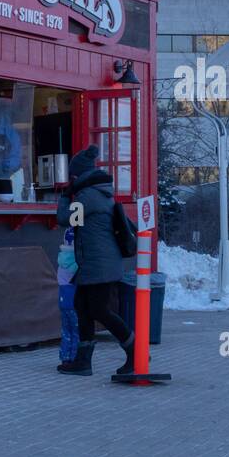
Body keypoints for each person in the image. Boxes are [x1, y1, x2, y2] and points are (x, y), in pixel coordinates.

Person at [55, 145, 135, 376]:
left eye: (72, 176)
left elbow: (65, 218)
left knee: (100, 310)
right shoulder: (97, 193)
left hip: (98, 265)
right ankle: (83, 361)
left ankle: (135, 351)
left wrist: (63, 196)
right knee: (83, 307)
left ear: (77, 176)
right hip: (96, 263)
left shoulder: (88, 197)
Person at [55, 227, 80, 370]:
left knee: (66, 330)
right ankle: (75, 357)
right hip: (74, 301)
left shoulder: (61, 260)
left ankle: (65, 357)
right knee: (76, 331)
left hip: (63, 300)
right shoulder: (76, 263)